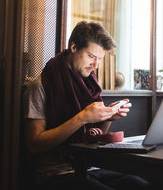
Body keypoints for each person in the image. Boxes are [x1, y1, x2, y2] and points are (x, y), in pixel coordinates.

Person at [22, 21, 150, 190]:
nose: (95, 65)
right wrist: (82, 118)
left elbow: (95, 138)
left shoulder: (89, 83)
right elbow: (34, 144)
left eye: (100, 59)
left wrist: (108, 117)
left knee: (142, 185)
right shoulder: (42, 85)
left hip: (88, 164)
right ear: (74, 47)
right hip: (56, 173)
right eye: (91, 56)